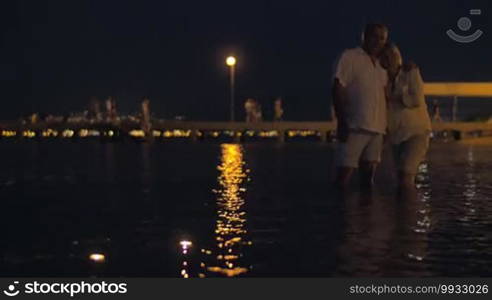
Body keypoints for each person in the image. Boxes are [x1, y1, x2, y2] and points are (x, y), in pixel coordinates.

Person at [332, 23, 389, 189]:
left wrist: (386, 127)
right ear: (364, 36)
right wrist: (342, 121)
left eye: (382, 38)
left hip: (377, 128)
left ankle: (364, 213)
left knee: (368, 179)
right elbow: (337, 88)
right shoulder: (349, 57)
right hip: (355, 125)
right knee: (344, 175)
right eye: (374, 36)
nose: (377, 41)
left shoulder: (381, 65)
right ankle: (339, 211)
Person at [379, 43, 431, 188]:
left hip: (416, 131)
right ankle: (403, 208)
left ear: (398, 57)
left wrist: (396, 97)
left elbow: (416, 100)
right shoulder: (381, 79)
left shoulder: (410, 73)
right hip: (396, 135)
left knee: (406, 174)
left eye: (392, 55)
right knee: (401, 176)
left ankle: (409, 208)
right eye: (385, 57)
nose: (389, 60)